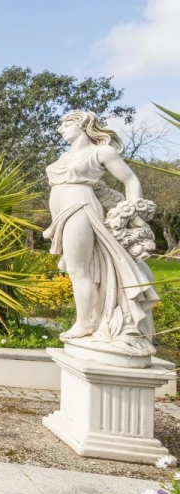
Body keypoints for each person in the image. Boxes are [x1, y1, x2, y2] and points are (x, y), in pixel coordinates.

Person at [44, 110, 158, 356]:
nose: (60, 129)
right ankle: (90, 319)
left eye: (66, 124)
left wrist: (130, 211)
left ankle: (84, 323)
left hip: (81, 207)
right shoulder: (65, 156)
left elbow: (131, 180)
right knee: (77, 268)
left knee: (78, 269)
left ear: (83, 123)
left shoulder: (101, 152)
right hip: (62, 213)